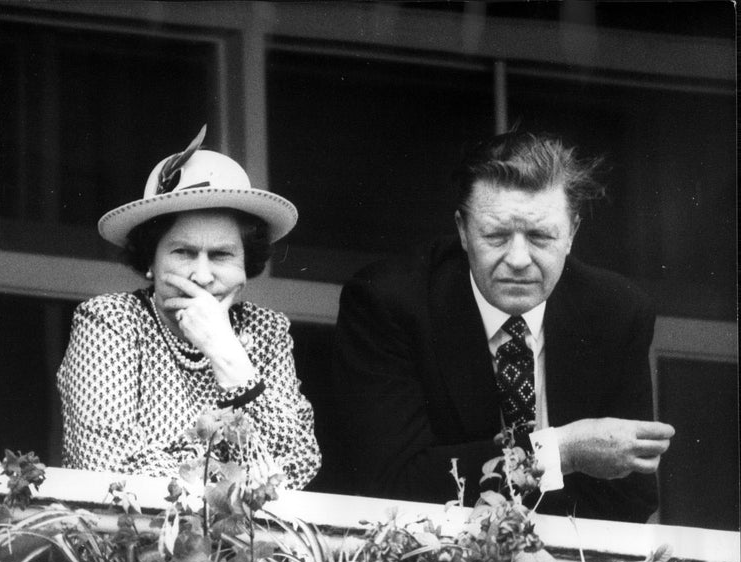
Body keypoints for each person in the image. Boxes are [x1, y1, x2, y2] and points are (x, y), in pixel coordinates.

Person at [321, 131, 674, 522]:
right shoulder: (387, 301)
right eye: (496, 235)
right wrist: (558, 452)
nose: (519, 258)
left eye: (540, 236)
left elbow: (632, 496)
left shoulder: (617, 311)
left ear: (572, 233)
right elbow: (387, 481)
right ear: (462, 231)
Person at [58, 126, 321, 489]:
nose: (201, 275)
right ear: (150, 260)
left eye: (221, 255)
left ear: (247, 266)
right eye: (183, 252)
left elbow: (295, 470)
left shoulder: (266, 330)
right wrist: (234, 483)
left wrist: (227, 354)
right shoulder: (110, 320)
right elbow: (106, 465)